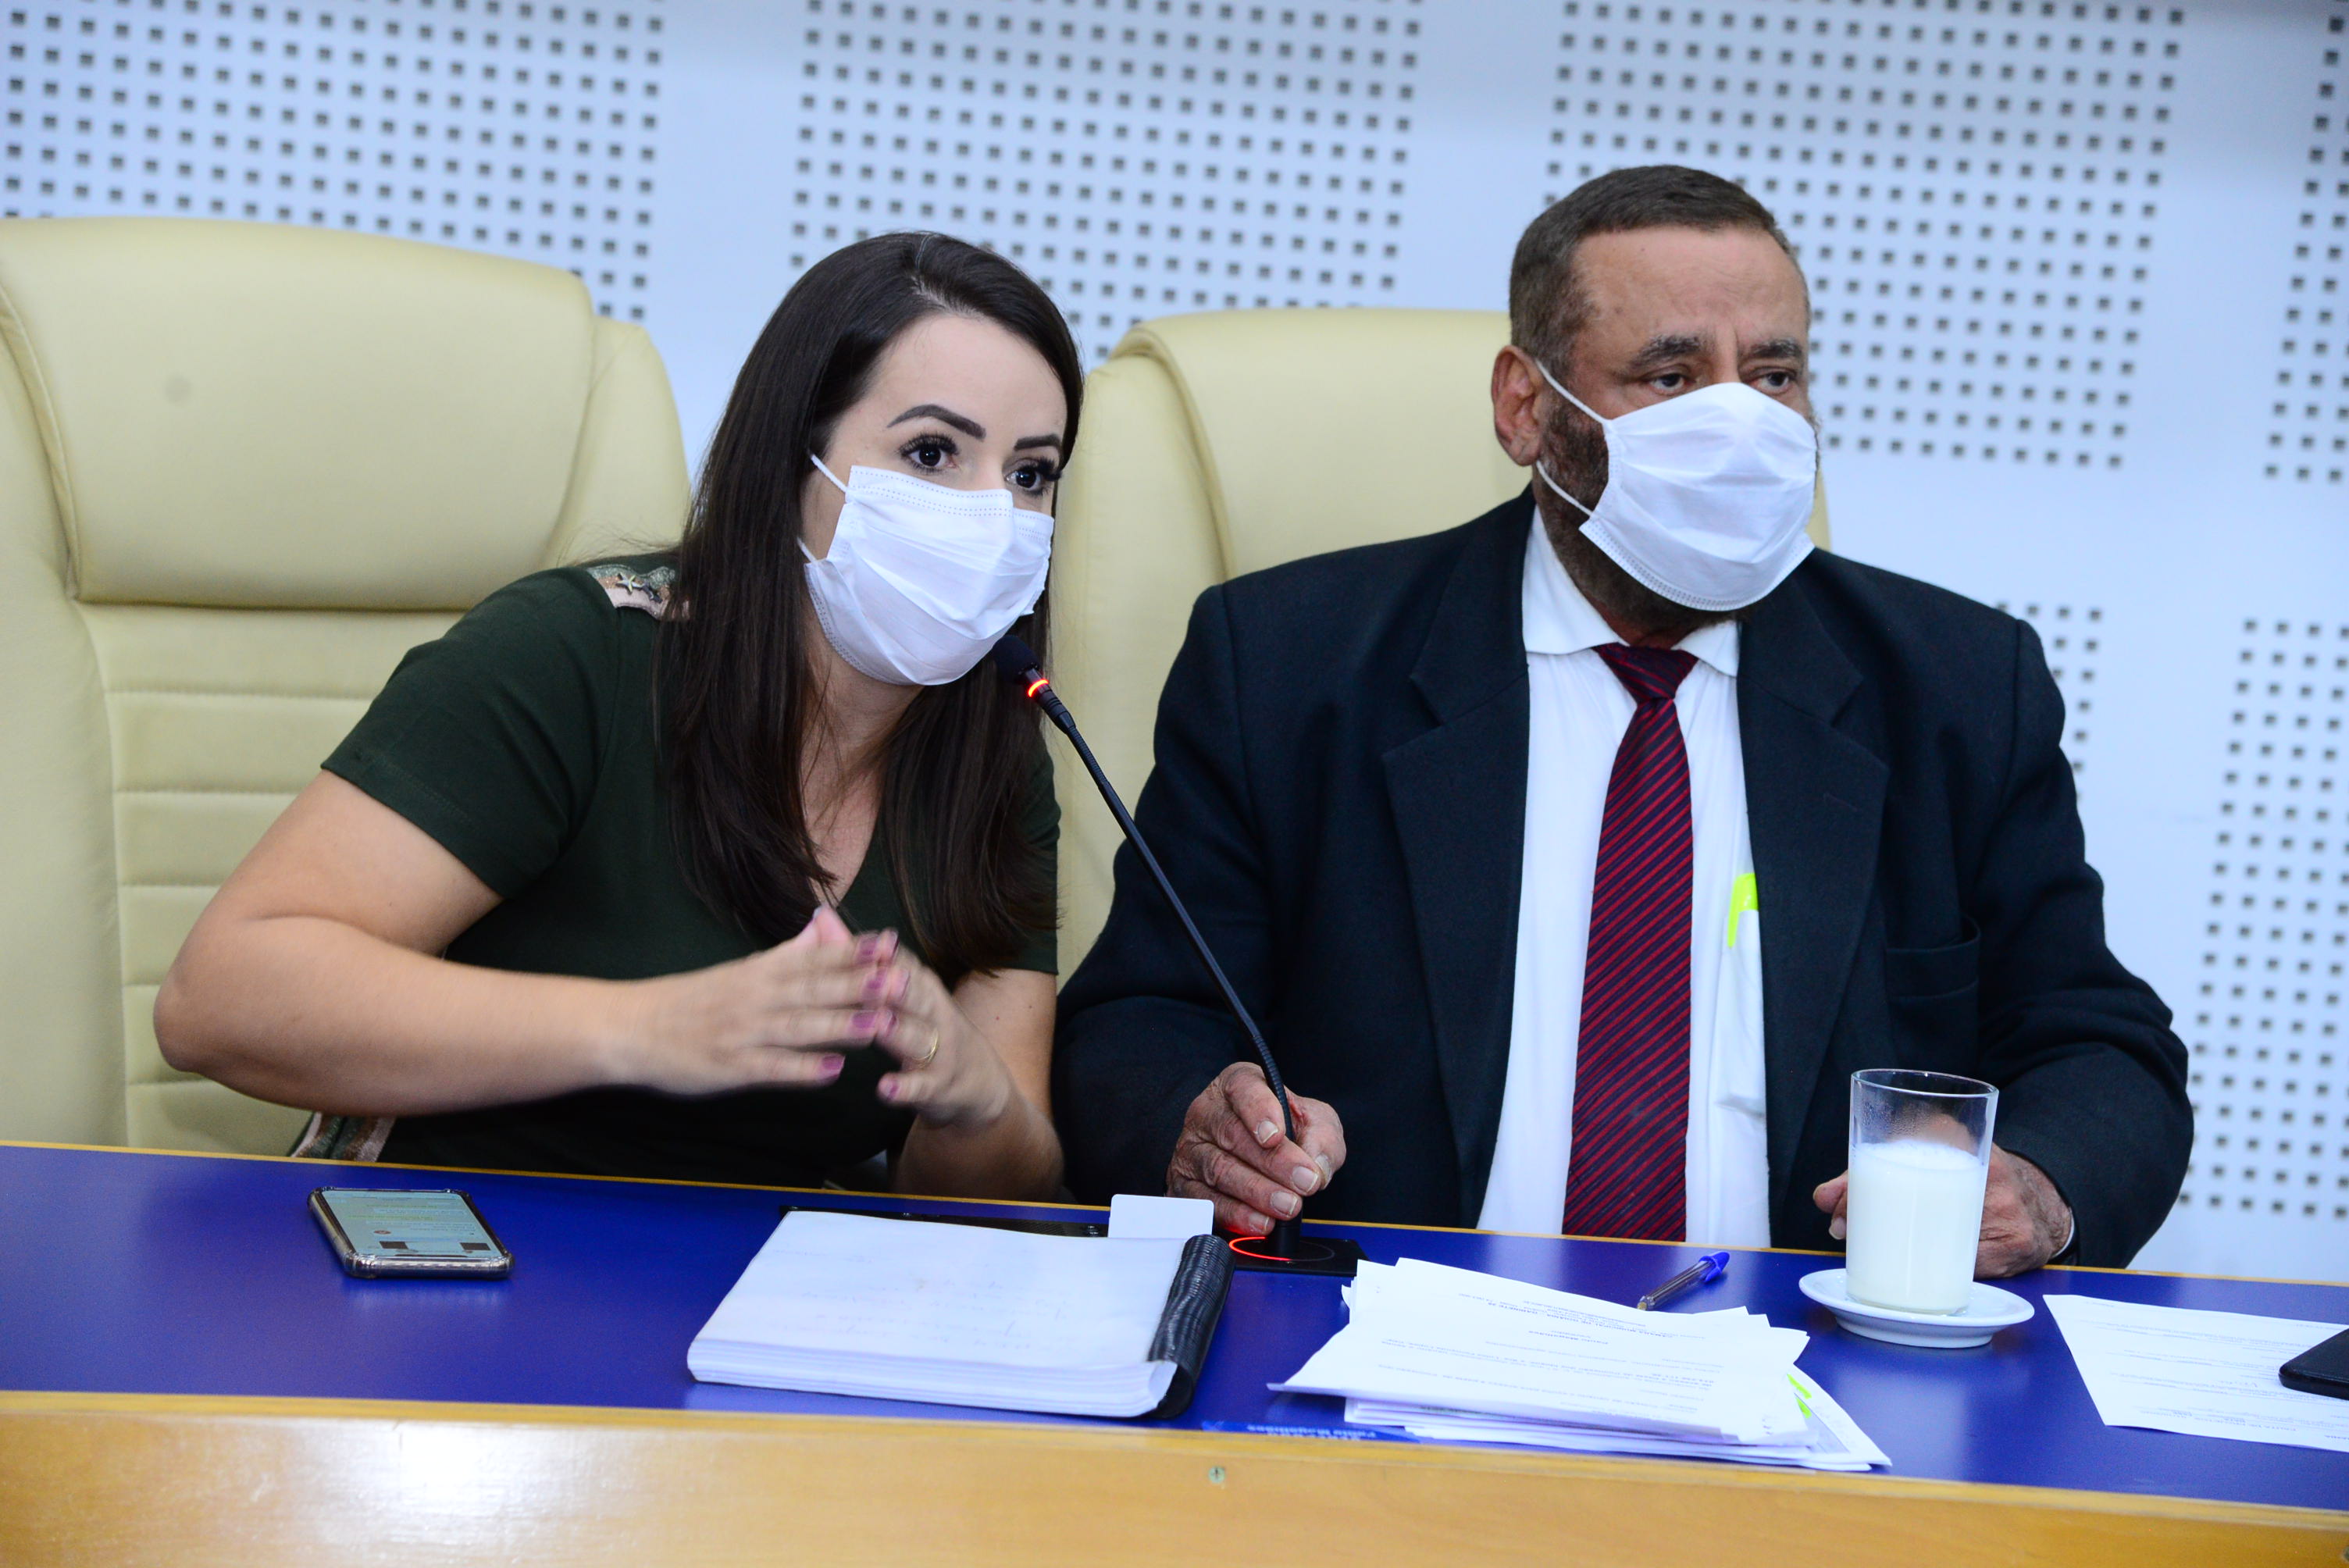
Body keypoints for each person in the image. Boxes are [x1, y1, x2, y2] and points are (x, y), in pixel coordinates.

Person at [1053, 166, 2190, 1272]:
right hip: (1388, 1330)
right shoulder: (1289, 664)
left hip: (1797, 1348)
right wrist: (1203, 1129)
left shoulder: (1955, 687)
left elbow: (2101, 1052)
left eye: (1775, 375)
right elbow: (1141, 1022)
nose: (1739, 421)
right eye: (1672, 376)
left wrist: (2037, 1183)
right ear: (1526, 406)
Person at [157, 233, 1075, 1199]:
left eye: (1029, 474)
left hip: (764, 1279)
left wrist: (977, 1106)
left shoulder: (996, 743)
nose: (990, 517)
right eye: (931, 453)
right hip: (443, 1242)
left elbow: (1000, 1194)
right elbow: (217, 999)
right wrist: (649, 1028)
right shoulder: (573, 654)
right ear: (791, 461)